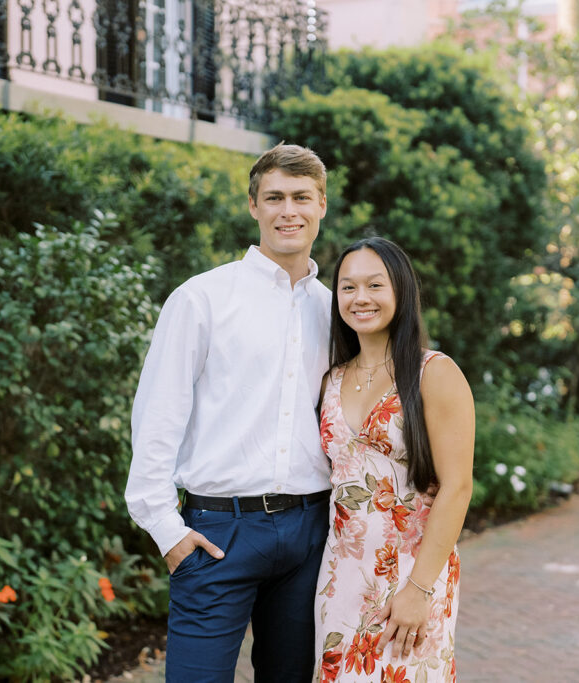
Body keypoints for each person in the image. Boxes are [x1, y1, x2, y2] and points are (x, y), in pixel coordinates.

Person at [125, 143, 333, 682]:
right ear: (253, 206)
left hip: (310, 532)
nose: (289, 210)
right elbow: (156, 417)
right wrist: (166, 531)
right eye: (275, 198)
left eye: (302, 197)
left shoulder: (334, 310)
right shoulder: (203, 298)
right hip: (219, 532)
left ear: (322, 206)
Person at [313, 237, 475, 682]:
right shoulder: (331, 379)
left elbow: (458, 487)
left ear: (400, 292)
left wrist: (419, 590)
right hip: (341, 576)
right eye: (348, 287)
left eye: (374, 285)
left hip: (412, 574)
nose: (360, 298)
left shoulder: (435, 373)